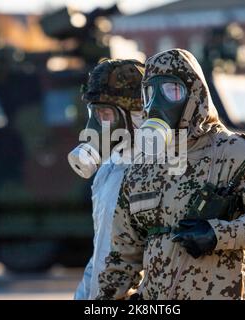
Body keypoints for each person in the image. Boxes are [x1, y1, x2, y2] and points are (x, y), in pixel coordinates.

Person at [96, 49, 245, 300]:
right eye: (150, 93)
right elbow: (122, 256)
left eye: (171, 91)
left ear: (195, 93)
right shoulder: (143, 166)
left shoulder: (235, 152)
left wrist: (219, 234)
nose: (157, 103)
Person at [70, 59, 145, 300]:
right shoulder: (109, 168)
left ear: (136, 115)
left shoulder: (163, 171)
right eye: (94, 112)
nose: (95, 125)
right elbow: (101, 255)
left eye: (106, 113)